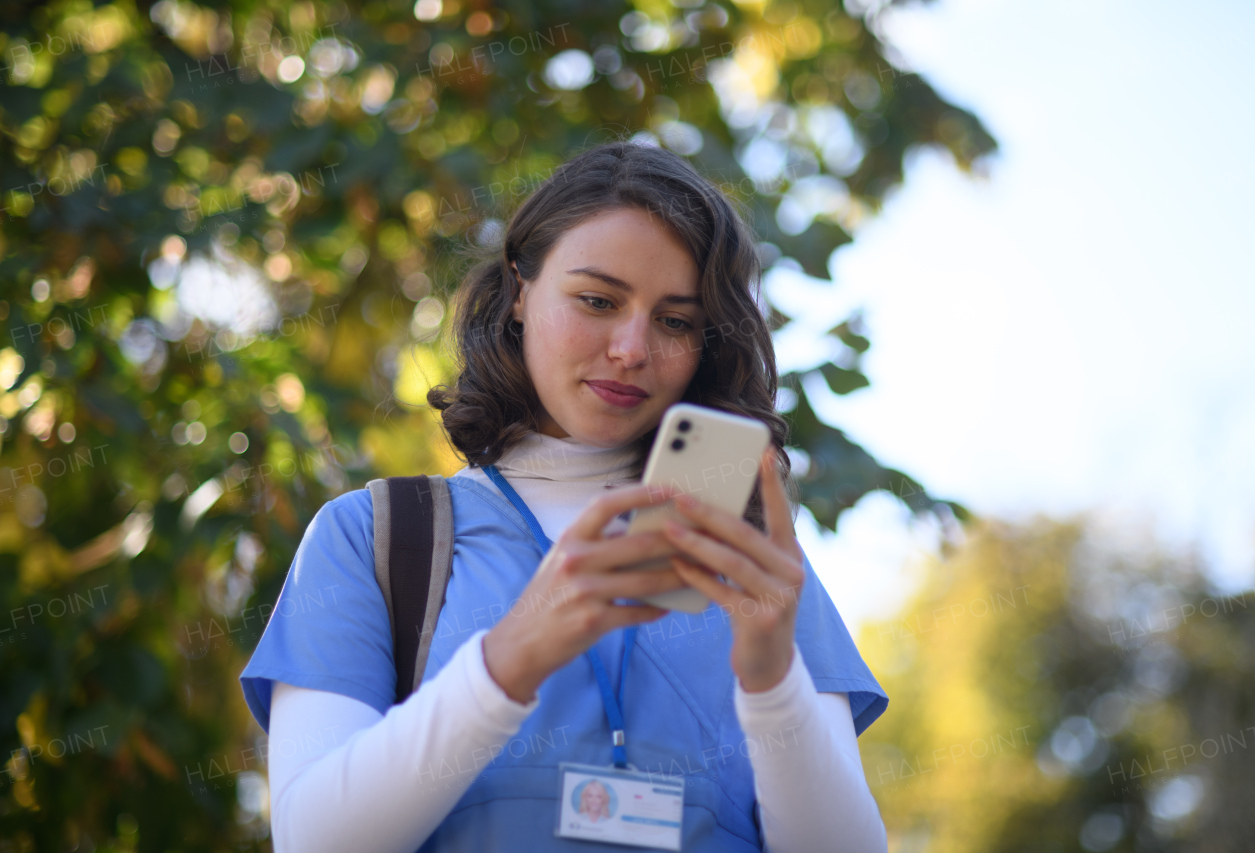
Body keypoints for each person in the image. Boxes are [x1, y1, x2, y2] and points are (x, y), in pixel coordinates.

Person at [239, 140, 890, 852]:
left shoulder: (752, 555)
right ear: (520, 291)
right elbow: (312, 842)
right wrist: (507, 659)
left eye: (676, 320)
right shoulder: (377, 536)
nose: (632, 348)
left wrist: (773, 682)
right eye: (597, 300)